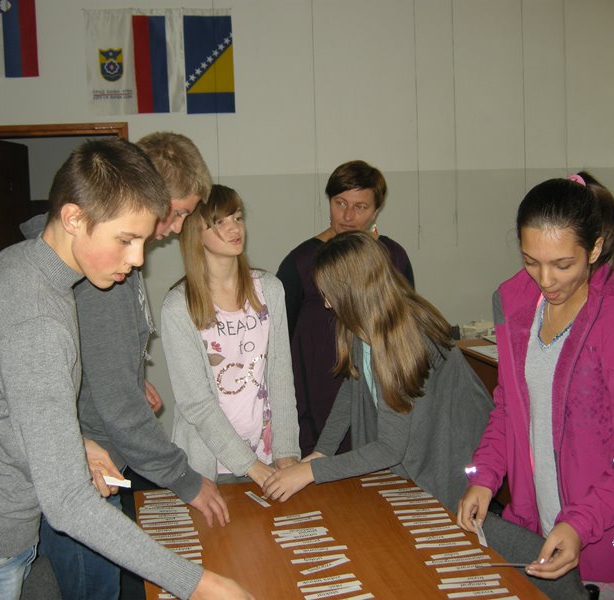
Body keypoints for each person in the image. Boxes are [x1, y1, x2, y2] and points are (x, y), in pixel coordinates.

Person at [0, 139, 252, 600]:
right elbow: (69, 503)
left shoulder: (27, 265)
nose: (138, 258)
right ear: (73, 218)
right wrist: (198, 583)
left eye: (141, 240)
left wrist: (75, 443)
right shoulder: (39, 320)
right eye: (125, 240)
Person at [25, 132, 227, 600]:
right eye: (177, 212)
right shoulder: (100, 277)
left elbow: (95, 362)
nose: (178, 227)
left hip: (89, 457)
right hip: (82, 474)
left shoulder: (110, 262)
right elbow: (116, 406)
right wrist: (185, 481)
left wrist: (130, 376)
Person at [456, 172, 614, 598]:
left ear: (594, 248)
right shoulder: (520, 308)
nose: (545, 279)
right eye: (530, 261)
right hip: (533, 527)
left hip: (604, 541)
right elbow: (510, 410)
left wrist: (579, 523)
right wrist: (484, 476)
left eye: (562, 264)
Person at [263, 231, 492, 511]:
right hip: (421, 455)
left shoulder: (401, 341)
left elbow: (390, 448)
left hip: (453, 458)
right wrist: (321, 453)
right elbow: (351, 387)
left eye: (329, 294)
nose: (326, 304)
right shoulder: (365, 322)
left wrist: (311, 472)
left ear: (353, 291)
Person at [161, 184, 300, 487]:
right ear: (195, 232)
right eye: (220, 222)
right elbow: (196, 402)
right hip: (210, 466)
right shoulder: (179, 306)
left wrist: (287, 451)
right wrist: (250, 466)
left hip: (268, 458)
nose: (234, 228)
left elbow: (280, 376)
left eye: (237, 217)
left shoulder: (269, 289)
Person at [277, 160, 414, 456]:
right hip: (318, 406)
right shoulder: (299, 263)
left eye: (360, 207)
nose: (348, 216)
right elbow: (278, 345)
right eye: (340, 203)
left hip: (380, 401)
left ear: (376, 210)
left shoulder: (394, 257)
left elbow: (407, 333)